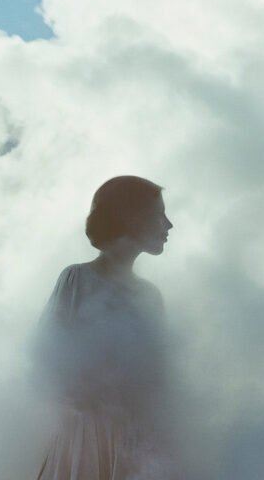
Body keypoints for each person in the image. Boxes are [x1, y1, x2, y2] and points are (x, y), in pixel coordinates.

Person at [34, 175, 176, 480]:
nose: (168, 225)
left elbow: (163, 381)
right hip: (87, 437)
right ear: (132, 218)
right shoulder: (77, 280)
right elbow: (47, 366)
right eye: (158, 215)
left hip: (139, 442)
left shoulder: (150, 297)